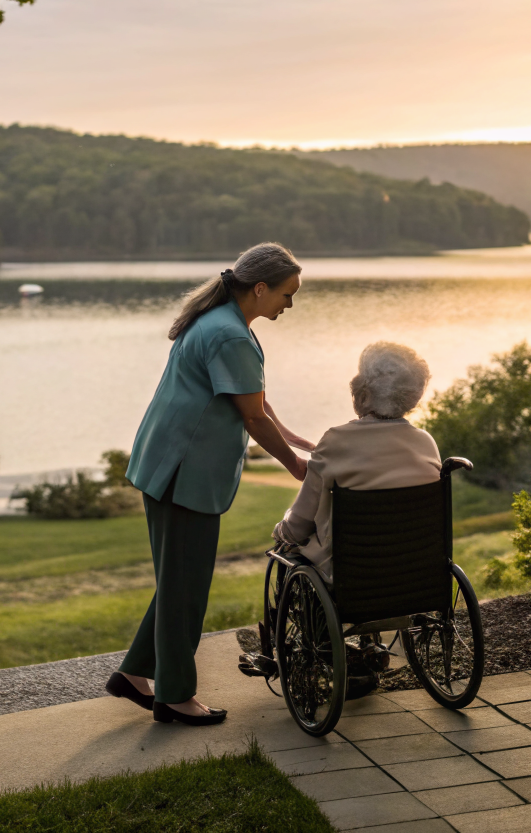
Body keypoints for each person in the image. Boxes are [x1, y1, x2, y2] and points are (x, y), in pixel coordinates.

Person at [104, 242, 314, 726]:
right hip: (183, 476)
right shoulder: (230, 335)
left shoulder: (222, 321)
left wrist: (299, 440)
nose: (289, 304)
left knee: (178, 582)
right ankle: (174, 696)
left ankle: (135, 674)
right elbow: (253, 419)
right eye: (287, 294)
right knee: (186, 590)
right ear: (260, 288)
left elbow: (253, 403)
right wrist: (295, 466)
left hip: (170, 469)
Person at [272, 341, 441, 583]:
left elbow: (298, 526)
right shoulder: (426, 443)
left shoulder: (335, 442)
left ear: (361, 392)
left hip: (351, 577)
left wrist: (281, 531)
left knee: (286, 551)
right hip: (415, 574)